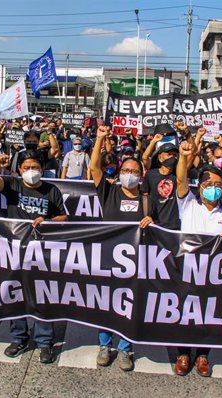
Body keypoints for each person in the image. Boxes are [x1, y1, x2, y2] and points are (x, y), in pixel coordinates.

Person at [0, 150, 68, 364]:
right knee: (16, 296)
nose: (32, 172)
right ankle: (19, 338)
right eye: (27, 168)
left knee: (41, 296)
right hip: (15, 249)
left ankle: (44, 342)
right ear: (19, 170)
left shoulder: (51, 189)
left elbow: (63, 216)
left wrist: (48, 220)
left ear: (42, 169)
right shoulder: (13, 185)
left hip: (41, 251)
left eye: (36, 168)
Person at [90, 126, 154, 372]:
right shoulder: (109, 191)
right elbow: (94, 168)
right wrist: (99, 139)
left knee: (130, 306)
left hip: (135, 263)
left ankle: (126, 348)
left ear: (142, 174)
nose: (129, 174)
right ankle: (105, 345)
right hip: (107, 259)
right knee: (106, 304)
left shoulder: (147, 200)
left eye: (134, 171)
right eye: (125, 170)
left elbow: (157, 229)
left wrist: (152, 221)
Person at [173, 142, 222, 377]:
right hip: (188, 270)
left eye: (218, 185)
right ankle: (183, 354)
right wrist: (183, 156)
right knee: (184, 313)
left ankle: (202, 355)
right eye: (208, 184)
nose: (213, 188)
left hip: (215, 274)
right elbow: (180, 180)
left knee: (209, 315)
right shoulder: (188, 204)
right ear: (199, 187)